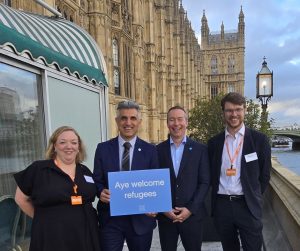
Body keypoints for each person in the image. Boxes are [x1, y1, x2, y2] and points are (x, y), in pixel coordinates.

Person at [14, 126, 101, 251]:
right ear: (54, 146)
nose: (69, 146)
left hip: (85, 234)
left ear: (79, 147)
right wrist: (42, 219)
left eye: (74, 142)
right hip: (52, 235)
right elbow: (20, 199)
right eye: (62, 142)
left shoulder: (85, 171)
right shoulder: (39, 169)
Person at [207, 92, 271, 251]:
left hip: (247, 206)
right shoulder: (214, 143)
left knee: (253, 247)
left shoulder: (259, 140)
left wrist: (253, 195)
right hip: (222, 205)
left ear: (245, 111)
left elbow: (264, 175)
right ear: (223, 113)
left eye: (238, 109)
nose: (233, 114)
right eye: (229, 110)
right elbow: (210, 175)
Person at [93, 100, 159, 251]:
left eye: (133, 118)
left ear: (139, 122)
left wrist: (154, 205)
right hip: (111, 220)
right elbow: (97, 179)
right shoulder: (102, 149)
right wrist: (100, 191)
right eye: (123, 118)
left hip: (141, 220)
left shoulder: (151, 150)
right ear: (117, 121)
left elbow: (155, 183)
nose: (128, 123)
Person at [156, 105, 210, 251]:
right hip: (166, 216)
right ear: (167, 123)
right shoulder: (157, 150)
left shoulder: (200, 149)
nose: (176, 124)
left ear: (186, 122)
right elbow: (154, 182)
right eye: (172, 120)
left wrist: (190, 209)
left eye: (180, 119)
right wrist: (164, 209)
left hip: (192, 217)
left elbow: (205, 182)